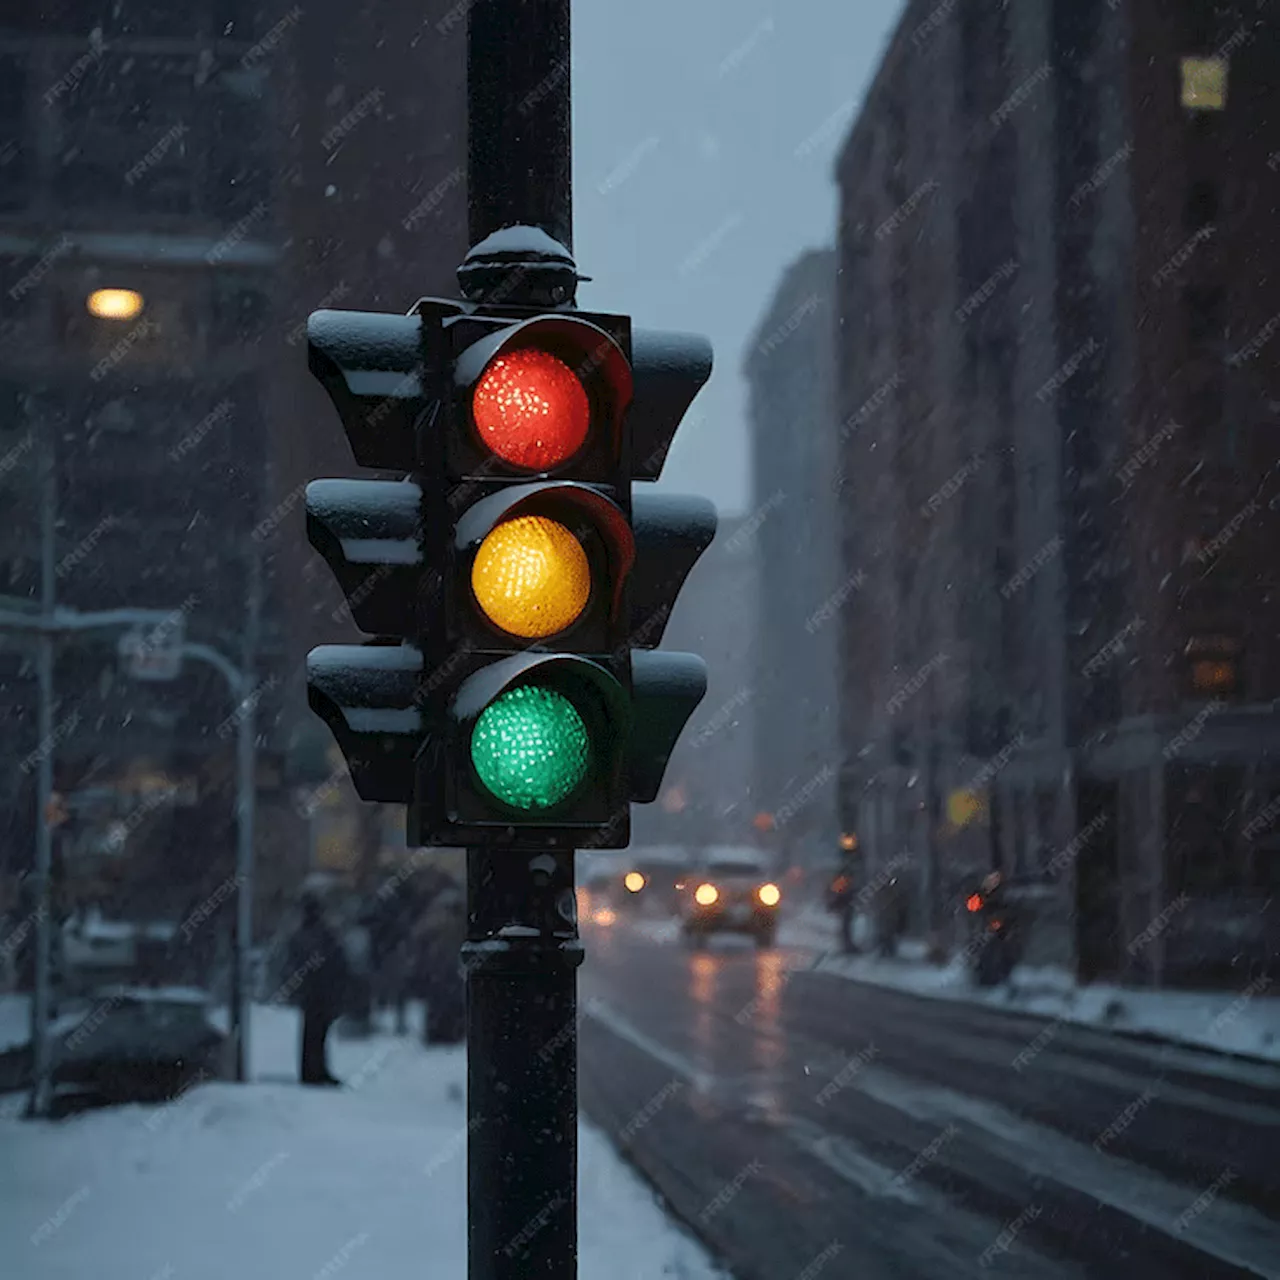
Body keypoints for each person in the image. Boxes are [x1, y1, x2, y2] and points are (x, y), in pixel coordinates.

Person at [286, 892, 349, 1086]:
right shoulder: (322, 933)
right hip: (321, 989)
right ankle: (315, 1071)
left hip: (311, 990)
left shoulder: (302, 934)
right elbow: (336, 959)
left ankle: (311, 1071)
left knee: (312, 1031)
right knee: (318, 1032)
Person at [825, 864, 857, 954]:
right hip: (845, 905)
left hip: (846, 905)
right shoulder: (844, 883)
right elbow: (838, 894)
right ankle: (847, 945)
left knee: (845, 927)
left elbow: (839, 895)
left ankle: (847, 945)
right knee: (845, 927)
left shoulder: (845, 883)